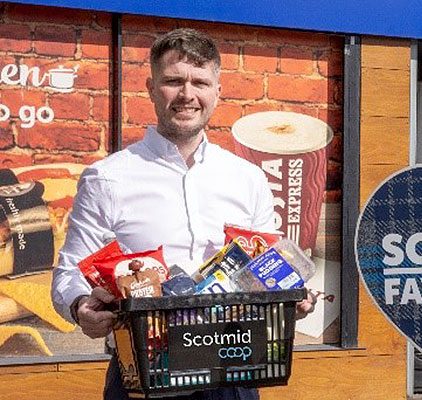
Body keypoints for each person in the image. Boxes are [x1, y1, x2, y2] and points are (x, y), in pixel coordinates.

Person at [50, 28, 317, 399]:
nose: (187, 94)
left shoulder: (248, 178)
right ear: (150, 88)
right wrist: (81, 307)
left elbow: (268, 266)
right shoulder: (108, 177)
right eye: (173, 81)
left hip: (234, 370)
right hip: (143, 373)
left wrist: (293, 297)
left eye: (200, 82)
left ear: (217, 91)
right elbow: (69, 271)